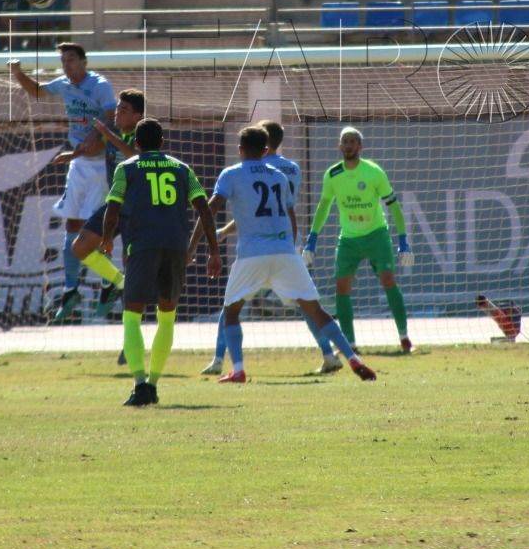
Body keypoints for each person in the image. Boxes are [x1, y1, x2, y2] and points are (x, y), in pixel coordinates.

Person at [203, 125, 375, 384]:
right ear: (266, 148)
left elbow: (211, 208)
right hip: (285, 252)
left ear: (240, 149)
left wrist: (206, 246)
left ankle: (234, 367)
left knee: (231, 311)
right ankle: (352, 358)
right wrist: (292, 248)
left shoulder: (231, 174)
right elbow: (289, 214)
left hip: (252, 254)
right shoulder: (285, 174)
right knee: (315, 310)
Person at [99, 118, 217, 407]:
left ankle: (140, 384)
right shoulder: (182, 168)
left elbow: (112, 209)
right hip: (175, 246)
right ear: (162, 142)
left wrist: (106, 239)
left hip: (143, 245)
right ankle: (153, 383)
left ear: (136, 144)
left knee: (132, 314)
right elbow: (203, 208)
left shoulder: (126, 168)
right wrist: (214, 251)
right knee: (167, 315)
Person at [7, 43, 116, 322]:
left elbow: (110, 119)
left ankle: (108, 282)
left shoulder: (100, 85)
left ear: (84, 61)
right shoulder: (63, 84)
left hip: (100, 167)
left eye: (71, 59)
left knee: (93, 231)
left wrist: (94, 140)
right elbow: (37, 91)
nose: (66, 64)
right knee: (71, 224)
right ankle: (71, 289)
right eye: (63, 60)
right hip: (78, 164)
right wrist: (18, 74)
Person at [303, 126, 413, 353]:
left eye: (353, 141)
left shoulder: (374, 172)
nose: (349, 144)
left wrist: (403, 239)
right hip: (349, 240)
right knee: (341, 288)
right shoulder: (333, 174)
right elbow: (324, 206)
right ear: (339, 146)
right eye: (345, 141)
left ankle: (404, 337)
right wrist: (312, 239)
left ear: (360, 147)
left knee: (388, 281)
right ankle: (350, 343)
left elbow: (393, 206)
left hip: (376, 236)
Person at [53, 88, 144, 325]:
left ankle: (131, 334)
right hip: (115, 204)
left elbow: (136, 156)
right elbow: (92, 148)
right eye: (118, 108)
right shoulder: (111, 131)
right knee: (80, 247)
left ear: (137, 116)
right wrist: (72, 155)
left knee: (132, 266)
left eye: (124, 110)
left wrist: (107, 135)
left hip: (139, 209)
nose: (118, 113)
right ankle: (117, 282)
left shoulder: (143, 133)